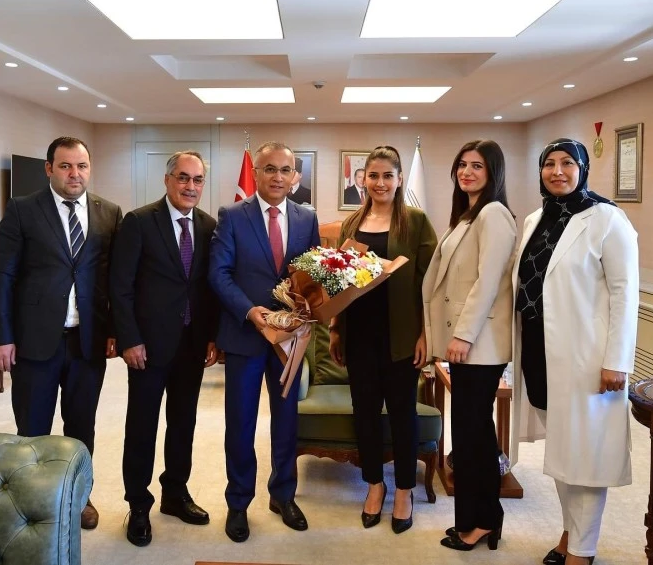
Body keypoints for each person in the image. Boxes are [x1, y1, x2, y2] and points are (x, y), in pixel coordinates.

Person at [511, 138, 639, 565]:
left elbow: (625, 294)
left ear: (583, 168)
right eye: (549, 163)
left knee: (586, 454)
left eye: (568, 162)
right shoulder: (536, 218)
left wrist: (617, 361)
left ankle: (582, 551)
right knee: (563, 451)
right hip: (540, 351)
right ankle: (571, 534)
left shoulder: (607, 219)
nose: (558, 171)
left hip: (588, 359)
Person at [0, 135, 122, 530]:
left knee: (81, 428)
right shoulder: (23, 209)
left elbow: (115, 279)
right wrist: (1, 335)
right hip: (34, 342)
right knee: (33, 431)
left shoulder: (108, 213)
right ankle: (33, 505)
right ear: (49, 169)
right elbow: (1, 275)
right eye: (65, 166)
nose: (74, 174)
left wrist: (115, 330)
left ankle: (79, 498)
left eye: (81, 166)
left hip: (87, 342)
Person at [209, 141, 321, 543]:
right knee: (240, 421)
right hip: (245, 335)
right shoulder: (232, 216)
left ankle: (283, 495)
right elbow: (219, 273)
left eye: (285, 170)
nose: (277, 177)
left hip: (289, 340)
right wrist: (249, 311)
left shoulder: (307, 218)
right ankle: (238, 502)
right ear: (255, 173)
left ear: (295, 177)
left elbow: (312, 274)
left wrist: (307, 305)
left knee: (286, 419)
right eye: (269, 169)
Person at [110, 151, 219, 547]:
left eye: (198, 179)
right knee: (142, 427)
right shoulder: (139, 222)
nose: (191, 186)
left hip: (191, 345)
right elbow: (120, 286)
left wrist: (211, 337)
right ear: (168, 179)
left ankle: (175, 492)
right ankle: (138, 504)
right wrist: (129, 339)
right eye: (183, 178)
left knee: (183, 424)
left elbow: (208, 288)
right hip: (147, 347)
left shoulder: (208, 226)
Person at [329, 145, 437, 534]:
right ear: (363, 179)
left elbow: (431, 283)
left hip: (401, 336)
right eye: (373, 175)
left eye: (387, 176)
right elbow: (339, 281)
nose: (380, 183)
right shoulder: (351, 223)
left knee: (403, 415)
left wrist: (426, 334)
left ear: (400, 179)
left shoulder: (416, 222)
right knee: (365, 413)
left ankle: (404, 490)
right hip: (359, 335)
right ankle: (374, 485)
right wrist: (336, 328)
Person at [421, 140, 517, 551]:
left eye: (477, 165)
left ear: (493, 172)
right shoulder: (467, 216)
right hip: (469, 344)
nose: (467, 172)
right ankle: (477, 519)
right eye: (462, 164)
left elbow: (488, 281)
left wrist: (463, 335)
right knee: (471, 432)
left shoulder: (494, 213)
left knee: (473, 435)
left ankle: (483, 521)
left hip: (480, 344)